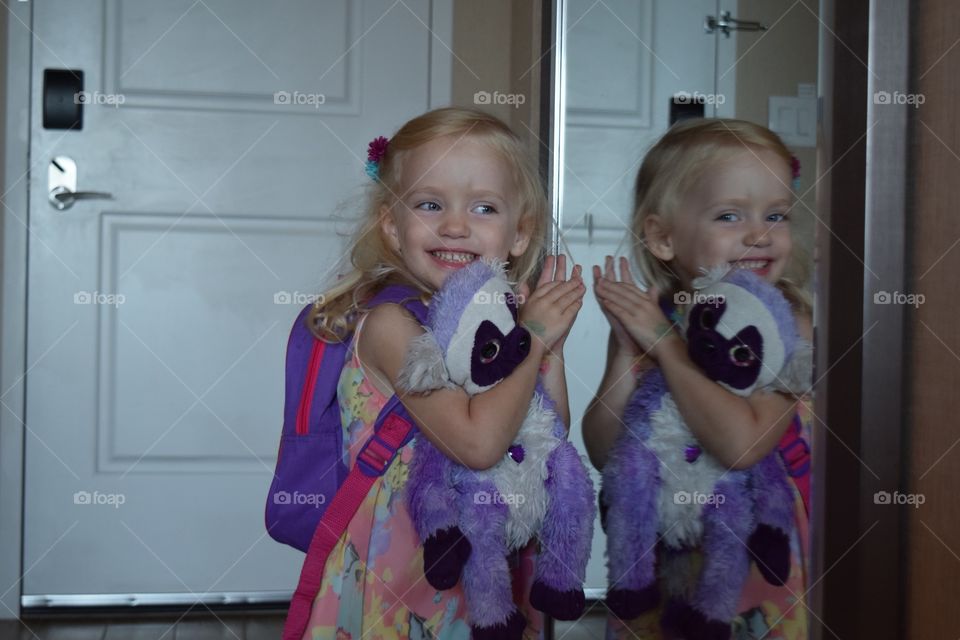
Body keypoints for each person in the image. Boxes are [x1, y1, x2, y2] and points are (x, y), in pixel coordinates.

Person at [301, 107, 585, 639]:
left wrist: (553, 351)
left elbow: (548, 436)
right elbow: (478, 444)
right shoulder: (393, 325)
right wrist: (534, 343)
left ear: (519, 234)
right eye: (430, 204)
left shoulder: (501, 318)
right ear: (392, 223)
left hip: (487, 565)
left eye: (483, 207)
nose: (456, 225)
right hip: (400, 574)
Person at [584, 118, 814, 639]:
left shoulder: (789, 324)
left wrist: (666, 350)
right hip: (665, 558)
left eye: (776, 215)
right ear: (663, 237)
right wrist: (626, 351)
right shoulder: (654, 317)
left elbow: (743, 443)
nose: (760, 234)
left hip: (758, 561)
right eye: (730, 215)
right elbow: (604, 452)